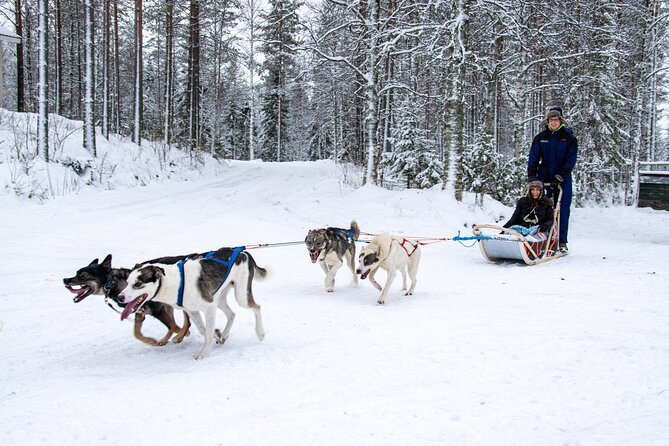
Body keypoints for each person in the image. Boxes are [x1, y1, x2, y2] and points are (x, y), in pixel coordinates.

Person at [527, 106, 577, 252]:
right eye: (551, 119)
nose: (553, 122)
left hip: (563, 179)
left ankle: (561, 241)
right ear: (547, 121)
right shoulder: (541, 138)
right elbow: (533, 157)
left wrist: (560, 176)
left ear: (561, 120)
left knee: (563, 209)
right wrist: (532, 176)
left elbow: (570, 160)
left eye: (556, 119)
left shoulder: (569, 138)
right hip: (544, 177)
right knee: (541, 207)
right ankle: (541, 238)